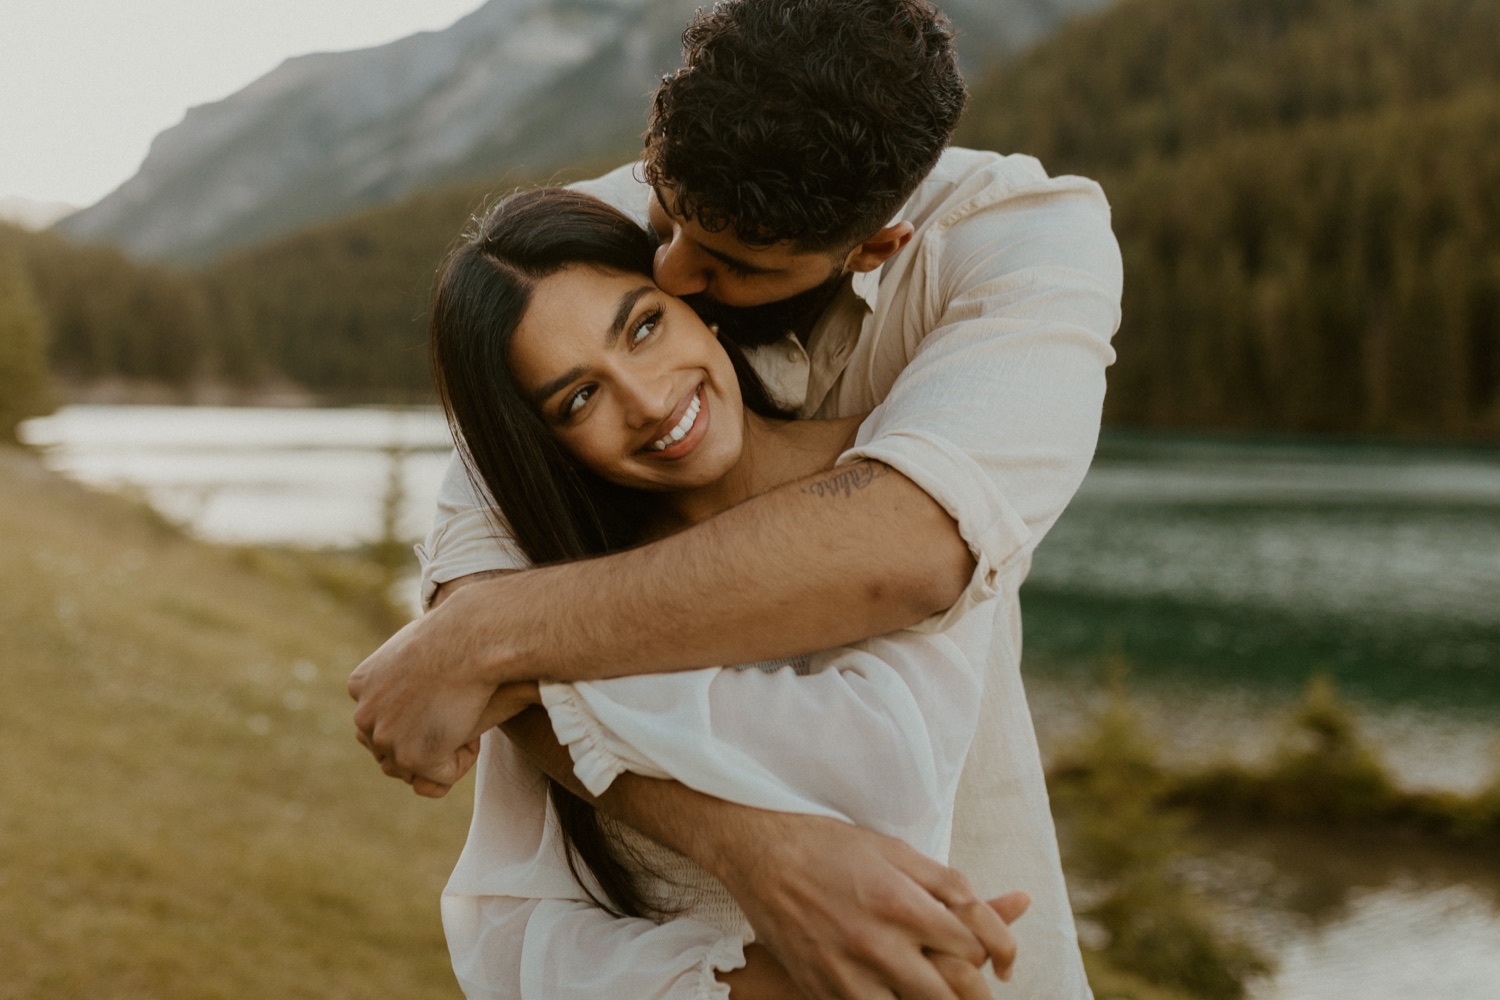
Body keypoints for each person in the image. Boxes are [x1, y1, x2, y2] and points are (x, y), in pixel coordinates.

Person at [349, 1, 1121, 997]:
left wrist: (496, 636)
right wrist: (760, 855)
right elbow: (467, 643)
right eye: (663, 209)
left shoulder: (1019, 242)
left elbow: (908, 550)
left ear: (871, 246)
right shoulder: (569, 257)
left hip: (950, 918)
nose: (671, 269)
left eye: (730, 266)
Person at [428, 184, 1031, 1000]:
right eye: (580, 398)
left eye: (643, 327)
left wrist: (523, 676)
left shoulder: (890, 487)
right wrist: (746, 980)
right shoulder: (553, 585)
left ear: (690, 302)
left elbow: (882, 764)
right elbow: (505, 920)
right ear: (546, 444)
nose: (647, 401)